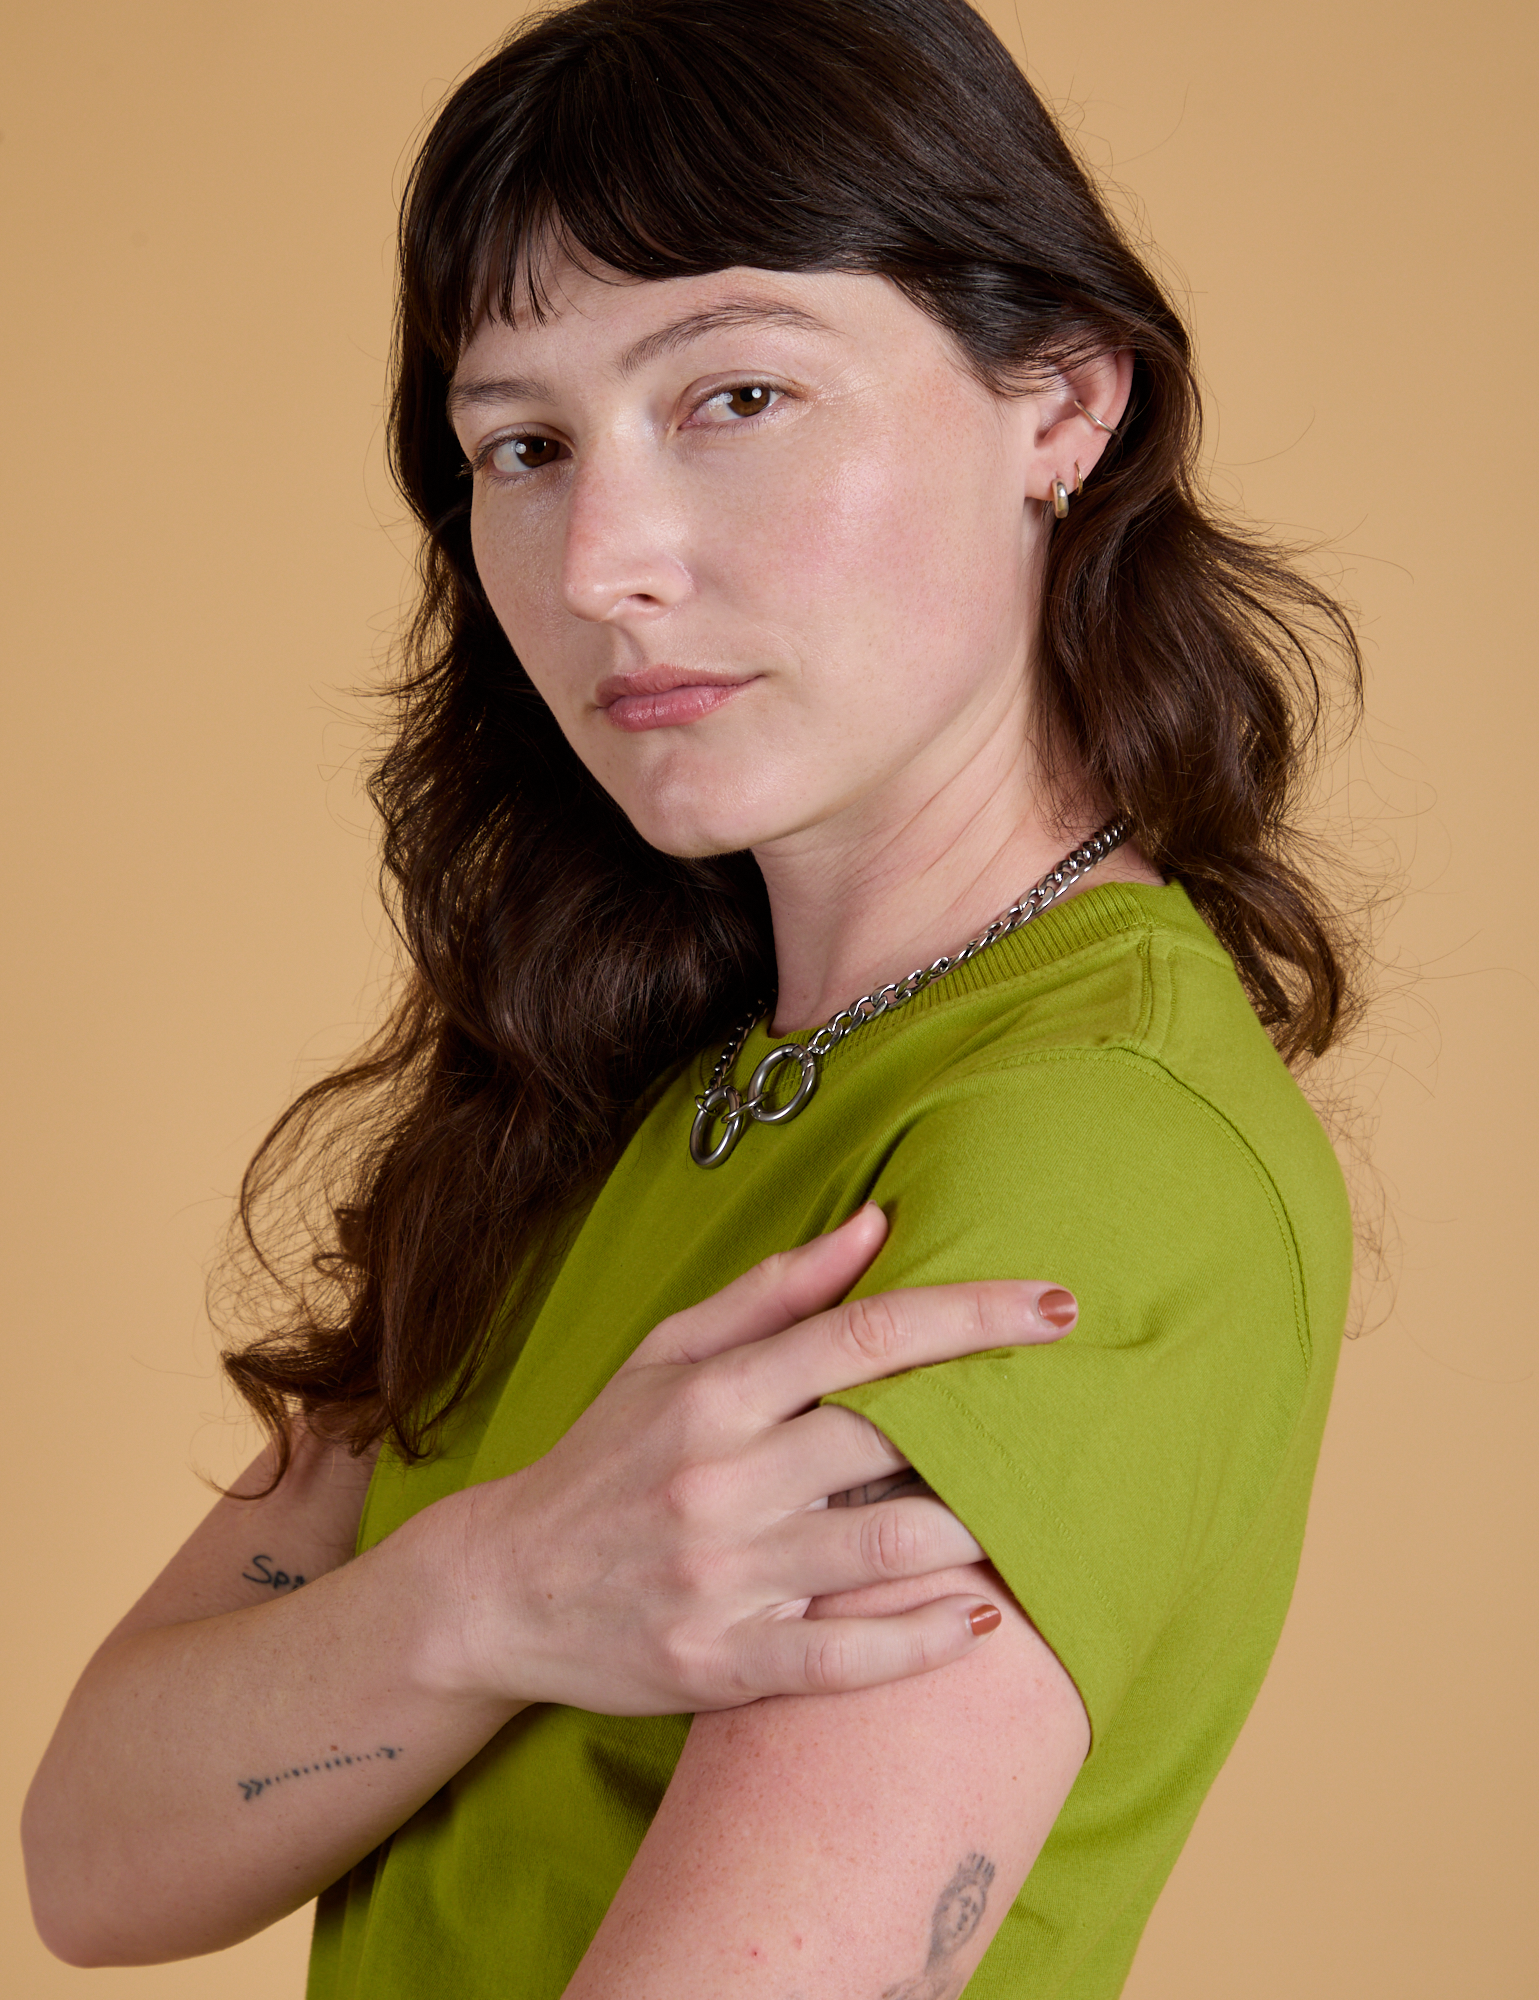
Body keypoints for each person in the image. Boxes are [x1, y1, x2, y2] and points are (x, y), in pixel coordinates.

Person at [22, 1, 1364, 1994]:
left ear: (1060, 402)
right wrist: (485, 1592)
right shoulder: (605, 1075)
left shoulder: (1079, 1147)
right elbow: (92, 1856)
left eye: (734, 395)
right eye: (522, 446)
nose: (600, 561)